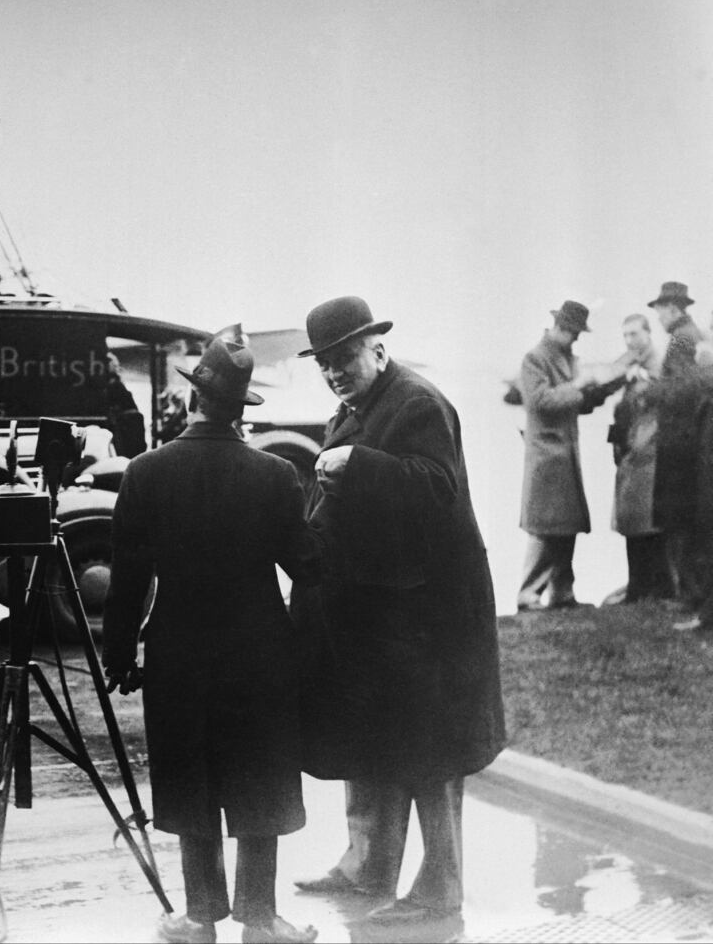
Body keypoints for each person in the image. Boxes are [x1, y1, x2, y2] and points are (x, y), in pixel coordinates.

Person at [291, 295, 505, 926]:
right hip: (384, 613)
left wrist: (360, 464)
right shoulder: (359, 406)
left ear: (377, 348)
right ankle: (367, 867)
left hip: (432, 617)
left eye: (344, 358)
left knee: (432, 752)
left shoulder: (417, 403)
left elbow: (437, 489)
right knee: (375, 738)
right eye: (324, 362)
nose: (333, 371)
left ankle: (441, 888)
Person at [102, 334, 323, 944]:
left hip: (178, 653)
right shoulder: (276, 475)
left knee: (191, 780)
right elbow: (309, 568)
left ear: (193, 398)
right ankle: (262, 917)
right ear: (242, 408)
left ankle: (199, 917)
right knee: (260, 782)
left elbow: (126, 585)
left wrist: (118, 656)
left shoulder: (146, 473)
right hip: (260, 655)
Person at [515, 300, 611, 612]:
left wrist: (597, 393)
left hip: (564, 454)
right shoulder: (534, 359)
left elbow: (574, 401)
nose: (576, 339)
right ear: (559, 327)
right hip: (546, 456)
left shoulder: (565, 357)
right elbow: (540, 401)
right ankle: (529, 594)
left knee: (565, 526)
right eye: (573, 333)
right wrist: (579, 386)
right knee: (546, 528)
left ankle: (562, 593)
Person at [647, 281, 708, 611]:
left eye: (659, 311)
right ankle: (690, 593)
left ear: (672, 308)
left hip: (680, 447)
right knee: (687, 521)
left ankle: (690, 595)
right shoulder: (691, 336)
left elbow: (682, 390)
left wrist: (652, 390)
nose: (658, 318)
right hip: (690, 444)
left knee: (680, 522)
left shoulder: (683, 339)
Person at [602, 314, 669, 606]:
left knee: (649, 523)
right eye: (626, 335)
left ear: (648, 333)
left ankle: (654, 587)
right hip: (632, 454)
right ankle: (640, 586)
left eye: (635, 334)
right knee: (633, 523)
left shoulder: (660, 364)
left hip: (651, 453)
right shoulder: (632, 364)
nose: (630, 341)